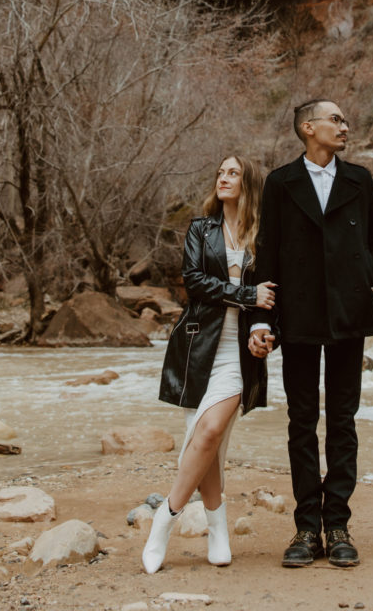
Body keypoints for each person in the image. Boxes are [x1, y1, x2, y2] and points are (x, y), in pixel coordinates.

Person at [249, 99, 373, 569]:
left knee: (343, 421)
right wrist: (262, 320)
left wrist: (359, 276)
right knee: (302, 421)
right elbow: (267, 252)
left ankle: (338, 524)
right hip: (300, 315)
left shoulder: (359, 180)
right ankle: (306, 529)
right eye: (335, 120)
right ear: (307, 128)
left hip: (349, 314)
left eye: (345, 120)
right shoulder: (280, 183)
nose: (344, 126)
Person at [142, 155, 276, 574]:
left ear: (249, 182)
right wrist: (245, 296)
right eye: (220, 172)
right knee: (206, 446)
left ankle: (163, 519)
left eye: (233, 173)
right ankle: (218, 527)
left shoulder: (264, 238)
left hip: (238, 354)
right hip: (198, 349)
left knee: (212, 430)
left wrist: (264, 331)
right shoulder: (202, 228)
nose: (223, 178)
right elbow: (194, 282)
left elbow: (273, 297)